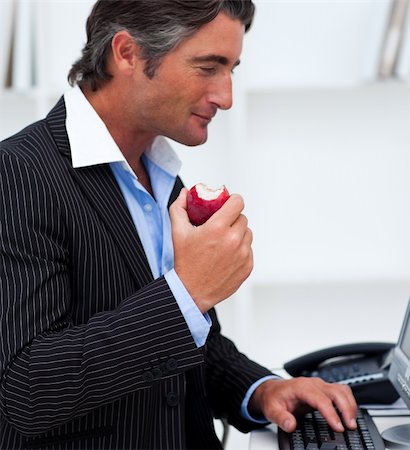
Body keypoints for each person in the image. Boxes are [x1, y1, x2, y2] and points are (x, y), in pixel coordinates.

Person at [0, 1, 357, 449]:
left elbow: (189, 345)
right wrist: (186, 294)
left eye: (231, 69)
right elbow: (27, 390)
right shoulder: (16, 175)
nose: (225, 97)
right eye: (208, 67)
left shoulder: (161, 174)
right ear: (127, 53)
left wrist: (262, 390)